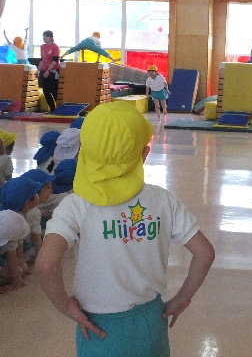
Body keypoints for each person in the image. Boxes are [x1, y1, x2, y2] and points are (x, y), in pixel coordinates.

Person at [35, 102, 215, 356]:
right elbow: (205, 253)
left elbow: (45, 265)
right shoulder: (163, 200)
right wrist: (183, 297)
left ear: (84, 151)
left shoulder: (75, 206)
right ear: (144, 154)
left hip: (97, 328)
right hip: (151, 322)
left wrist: (64, 305)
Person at [0, 176, 42, 291]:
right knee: (16, 271)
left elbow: (16, 246)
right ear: (28, 202)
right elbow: (11, 252)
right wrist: (15, 278)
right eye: (36, 193)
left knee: (20, 267)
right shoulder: (13, 221)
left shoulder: (14, 218)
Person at [0, 209, 30, 294]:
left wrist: (16, 278)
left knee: (20, 268)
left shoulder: (8, 227)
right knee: (9, 274)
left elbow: (11, 253)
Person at [39, 30, 60, 112]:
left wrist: (48, 70)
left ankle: (58, 109)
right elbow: (42, 60)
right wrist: (38, 70)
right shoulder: (42, 47)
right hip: (45, 71)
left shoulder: (55, 47)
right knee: (45, 91)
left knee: (54, 90)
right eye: (43, 36)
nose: (44, 38)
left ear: (51, 38)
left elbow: (55, 60)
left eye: (46, 36)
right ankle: (52, 109)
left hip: (54, 71)